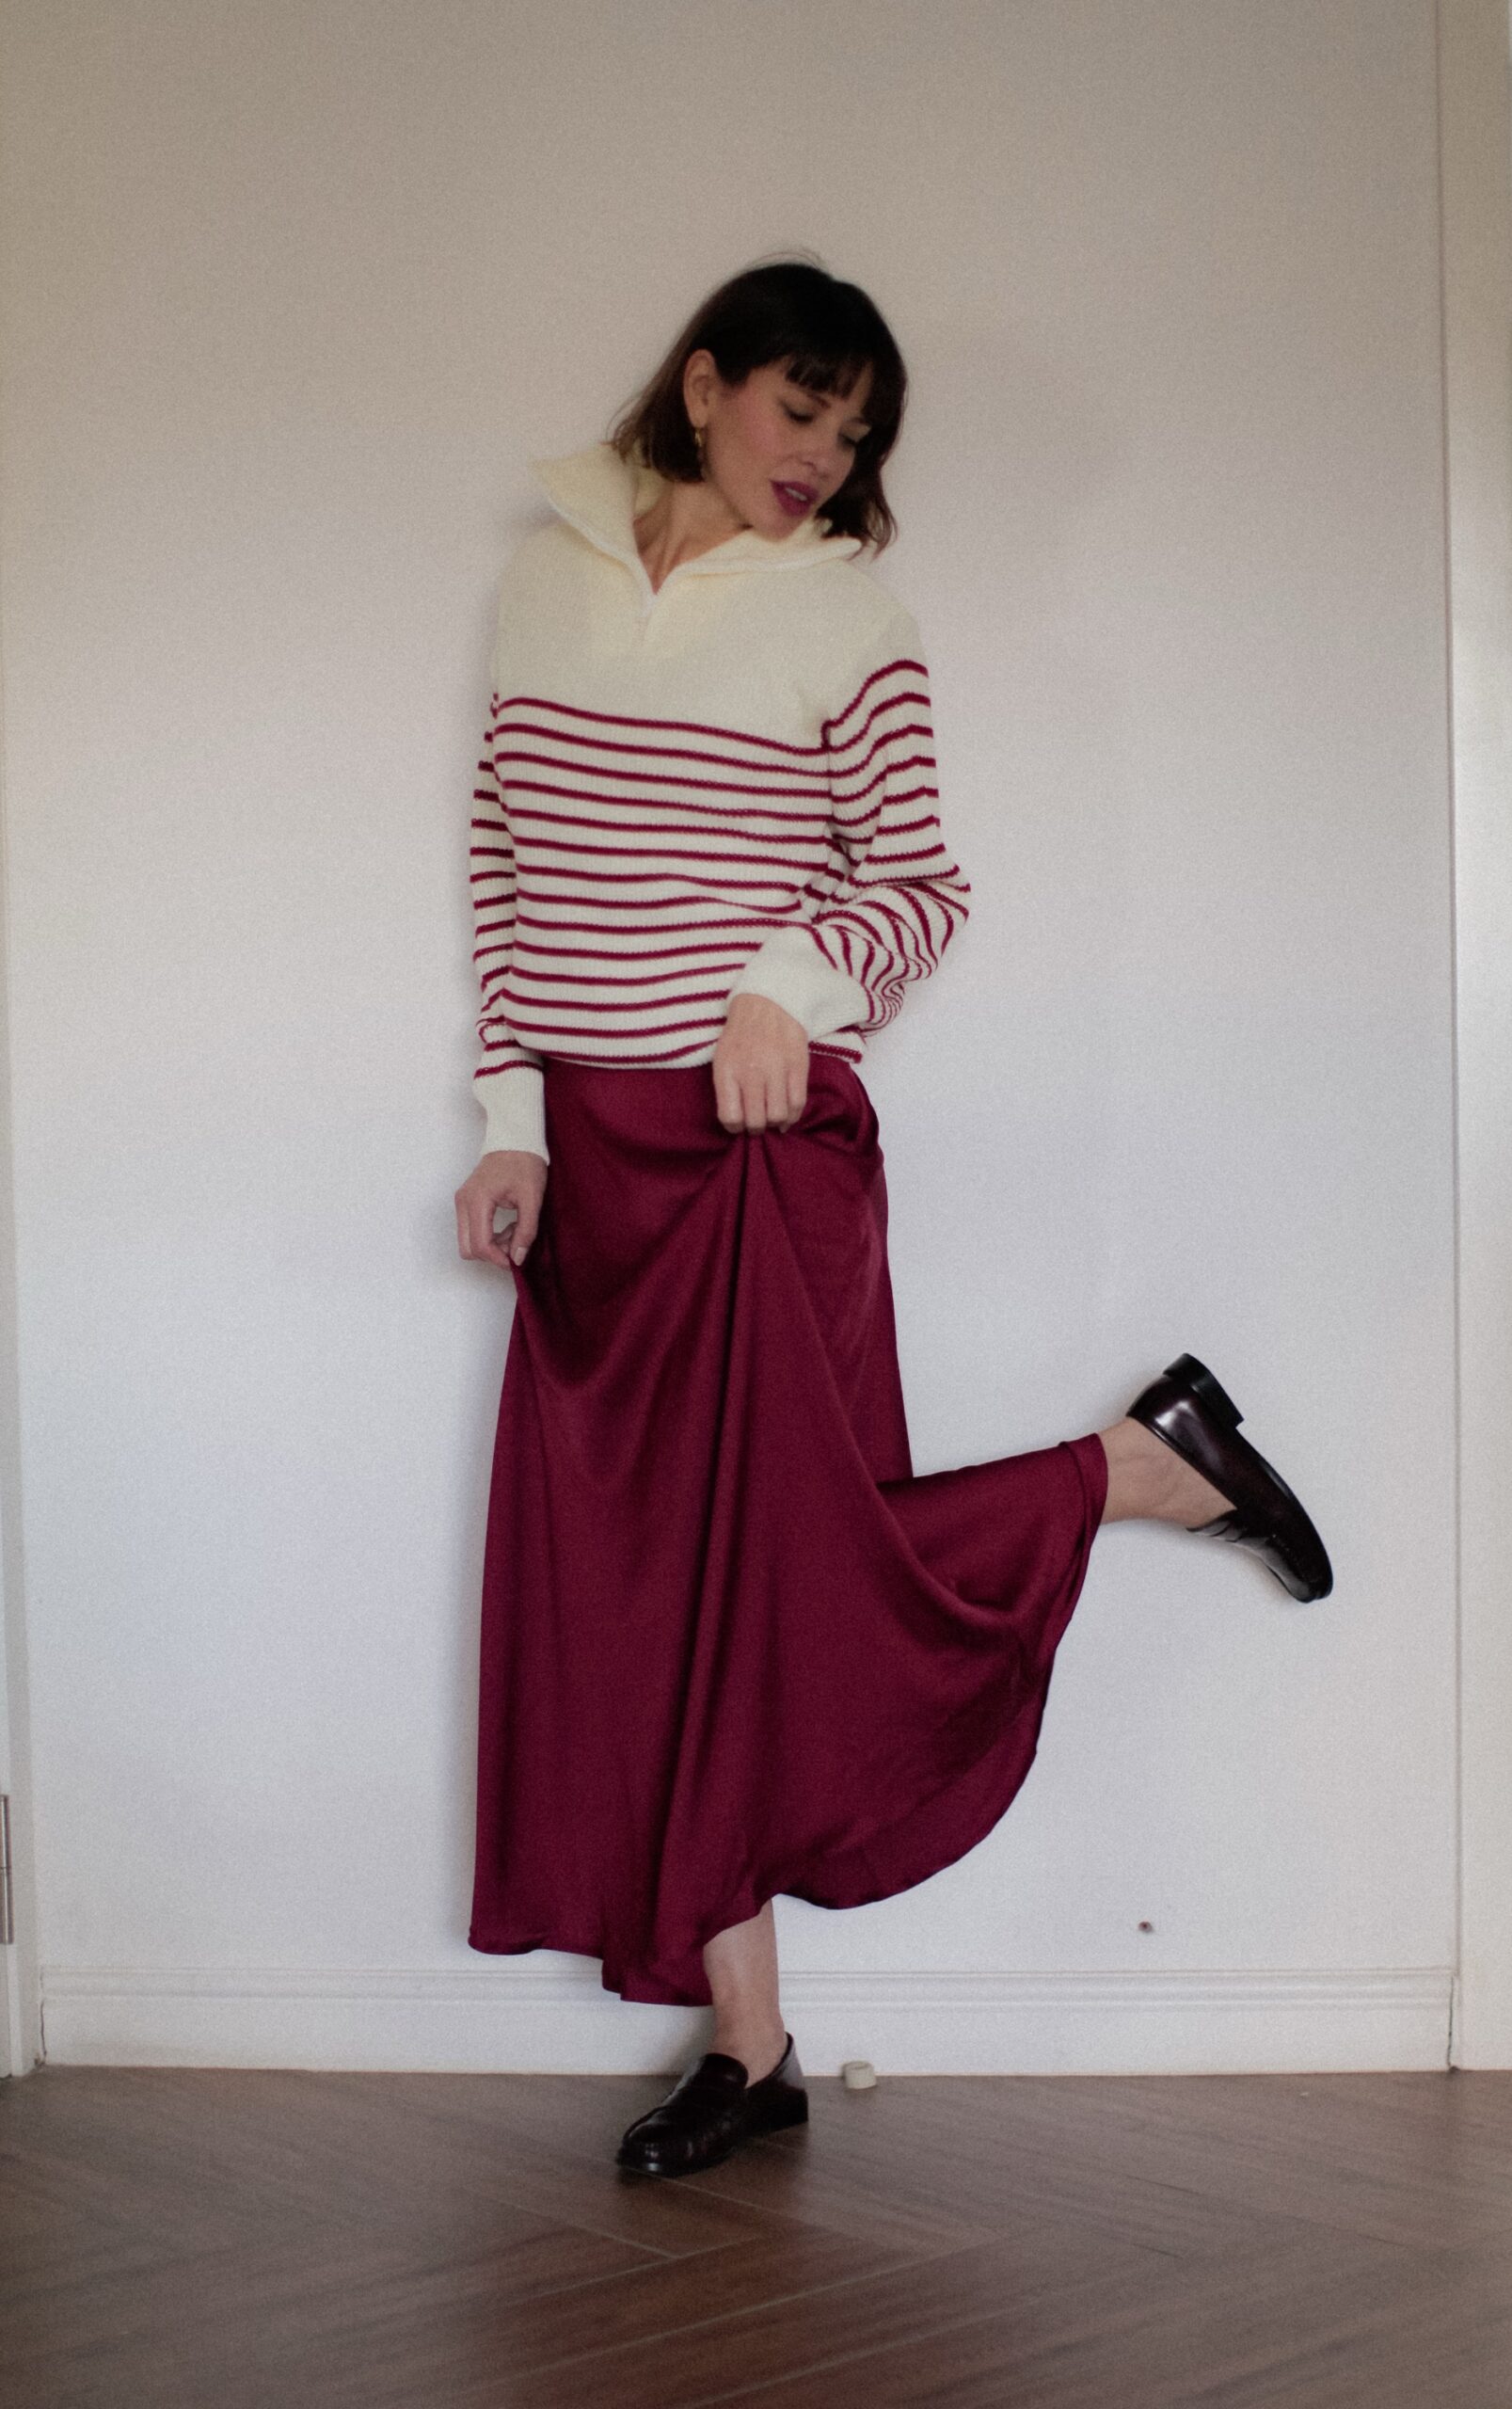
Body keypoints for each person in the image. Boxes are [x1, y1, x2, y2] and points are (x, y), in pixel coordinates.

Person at [454, 257, 1331, 2181]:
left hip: (758, 1155)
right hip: (595, 1178)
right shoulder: (544, 583)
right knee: (654, 1607)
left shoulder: (851, 613)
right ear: (704, 385)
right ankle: (754, 2049)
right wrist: (512, 1120)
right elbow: (512, 867)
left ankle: (1137, 1470)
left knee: (788, 1578)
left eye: (854, 435)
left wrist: (787, 983)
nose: (823, 458)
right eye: (801, 409)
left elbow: (920, 886)